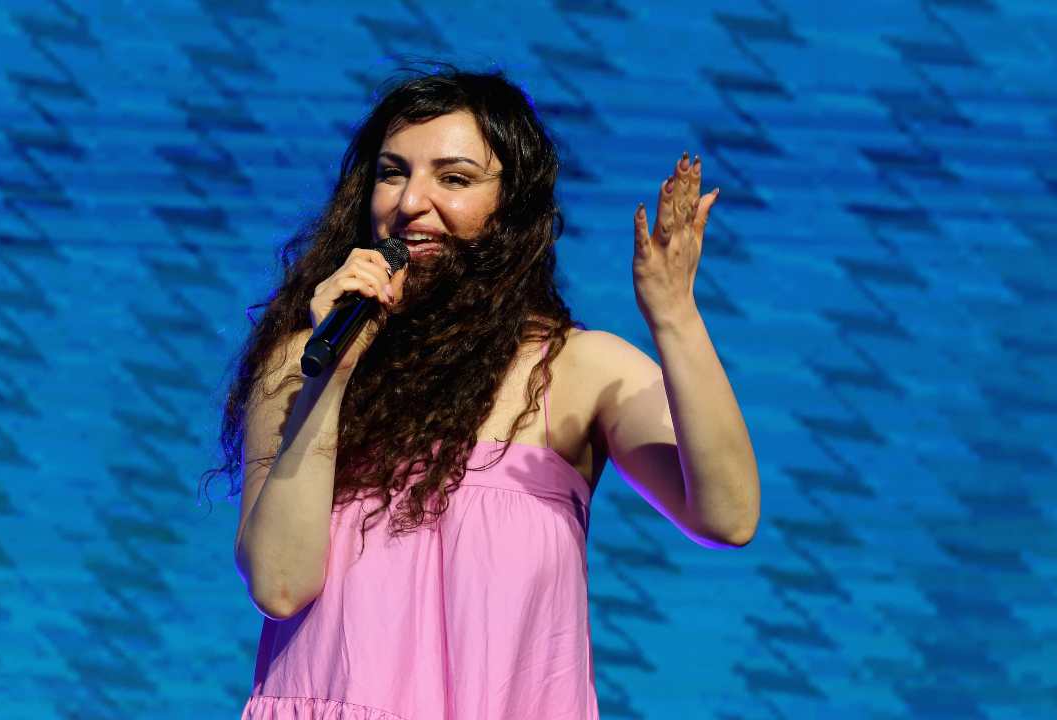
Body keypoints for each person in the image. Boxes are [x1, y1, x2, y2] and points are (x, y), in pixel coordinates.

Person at [202, 64, 761, 720]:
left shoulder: (575, 369)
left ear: (510, 207)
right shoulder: (305, 363)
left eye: (454, 178)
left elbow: (727, 517)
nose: (411, 202)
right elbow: (279, 584)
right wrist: (332, 376)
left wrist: (675, 315)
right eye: (392, 173)